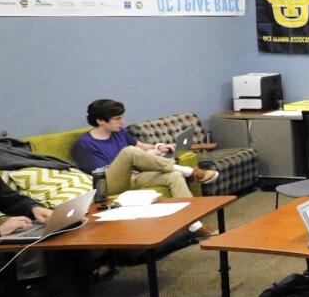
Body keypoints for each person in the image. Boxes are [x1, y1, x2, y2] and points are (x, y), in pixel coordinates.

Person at [71, 99, 219, 238]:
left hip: (133, 177)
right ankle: (190, 171)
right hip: (109, 185)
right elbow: (101, 173)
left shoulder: (118, 132)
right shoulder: (84, 144)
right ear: (100, 121)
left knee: (174, 176)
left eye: (121, 117)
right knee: (129, 152)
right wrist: (142, 157)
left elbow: (140, 145)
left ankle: (195, 225)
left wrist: (158, 147)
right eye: (117, 118)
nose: (122, 122)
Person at [0, 136, 62, 297]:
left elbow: (10, 199)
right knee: (6, 226)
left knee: (23, 225)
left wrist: (35, 208)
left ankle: (26, 290)